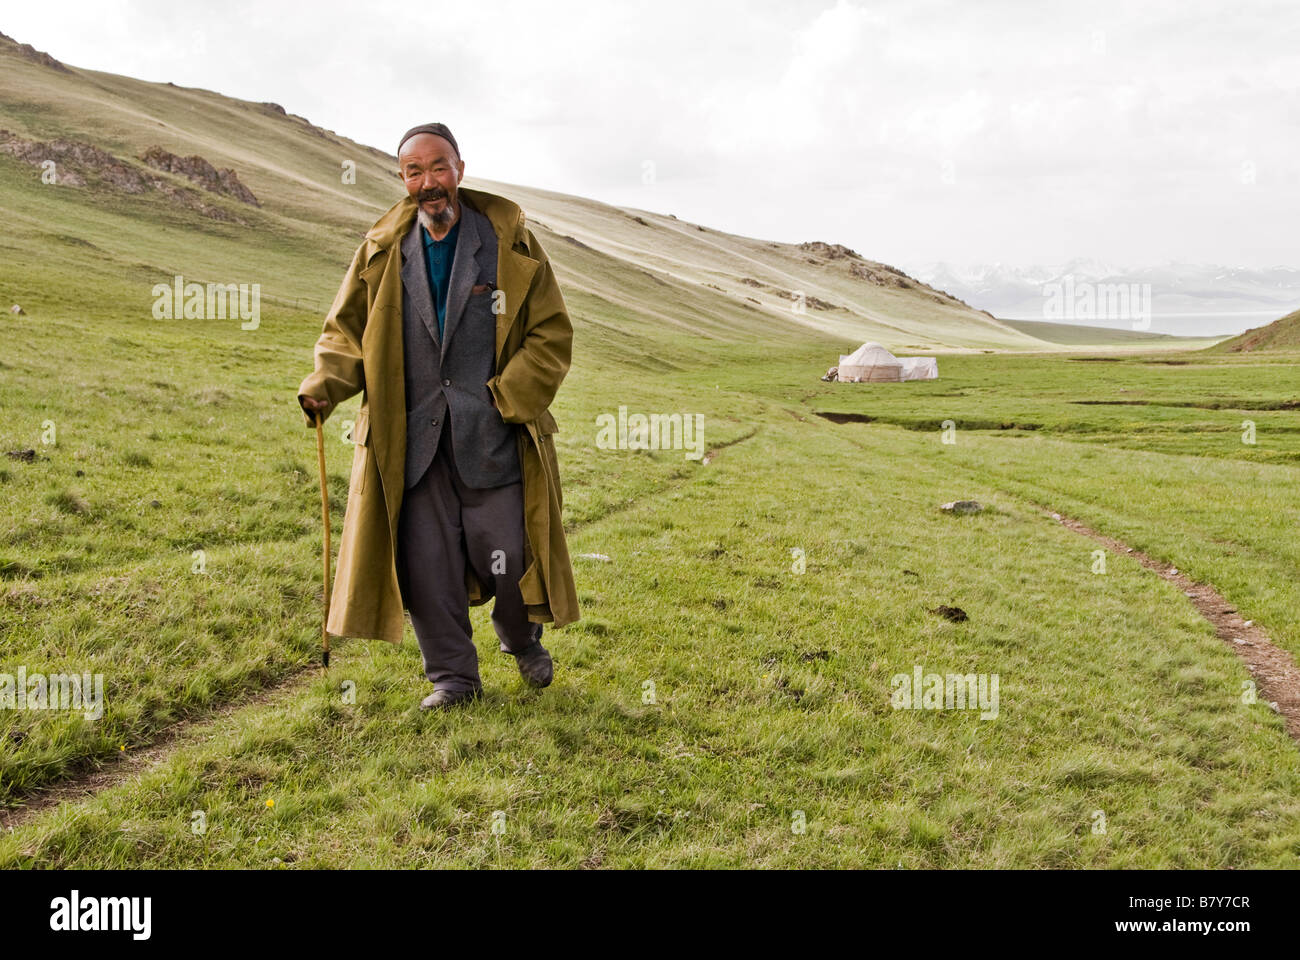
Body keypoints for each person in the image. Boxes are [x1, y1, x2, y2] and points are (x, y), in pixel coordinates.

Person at [297, 122, 580, 710]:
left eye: (439, 167)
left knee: (506, 552)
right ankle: (453, 679)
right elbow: (346, 332)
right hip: (409, 438)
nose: (428, 182)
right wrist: (325, 385)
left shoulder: (508, 244)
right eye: (414, 171)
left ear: (460, 169)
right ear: (403, 179)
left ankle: (520, 634)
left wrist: (508, 397)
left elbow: (550, 333)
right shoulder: (382, 250)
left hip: (492, 432)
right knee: (426, 564)